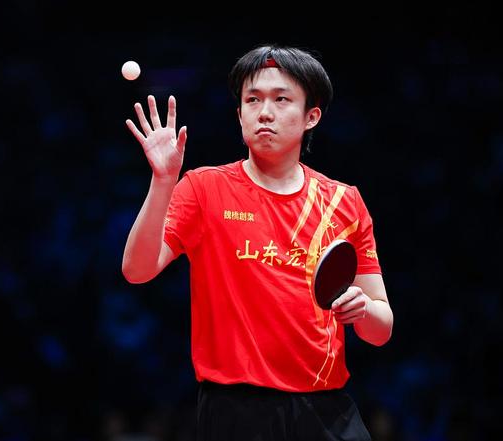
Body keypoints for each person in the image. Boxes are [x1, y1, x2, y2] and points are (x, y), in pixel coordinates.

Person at [122, 44, 393, 441]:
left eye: (281, 99)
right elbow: (137, 270)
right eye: (252, 100)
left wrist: (363, 310)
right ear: (239, 114)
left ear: (311, 116)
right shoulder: (203, 188)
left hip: (326, 409)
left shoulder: (343, 201)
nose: (264, 112)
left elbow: (380, 329)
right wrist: (163, 181)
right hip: (236, 411)